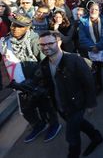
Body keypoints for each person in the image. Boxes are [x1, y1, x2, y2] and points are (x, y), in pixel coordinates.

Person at [37, 31, 103, 158]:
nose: (46, 47)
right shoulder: (44, 64)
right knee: (79, 123)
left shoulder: (74, 60)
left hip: (77, 104)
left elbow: (89, 82)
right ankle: (96, 136)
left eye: (50, 43)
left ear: (59, 42)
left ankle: (73, 155)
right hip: (61, 106)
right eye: (42, 45)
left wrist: (91, 103)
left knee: (71, 135)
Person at [0, 14, 60, 143]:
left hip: (37, 81)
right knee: (26, 109)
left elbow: (44, 62)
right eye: (13, 25)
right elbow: (3, 61)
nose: (15, 28)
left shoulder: (34, 40)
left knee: (45, 106)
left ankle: (54, 124)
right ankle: (38, 125)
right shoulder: (4, 42)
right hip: (18, 83)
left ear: (27, 28)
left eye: (19, 26)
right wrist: (8, 80)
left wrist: (35, 81)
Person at [78, 2, 103, 93]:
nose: (93, 10)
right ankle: (98, 86)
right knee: (96, 70)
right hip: (92, 50)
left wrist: (98, 46)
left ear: (99, 11)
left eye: (96, 9)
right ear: (88, 10)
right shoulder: (83, 22)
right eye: (92, 8)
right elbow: (82, 38)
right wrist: (92, 47)